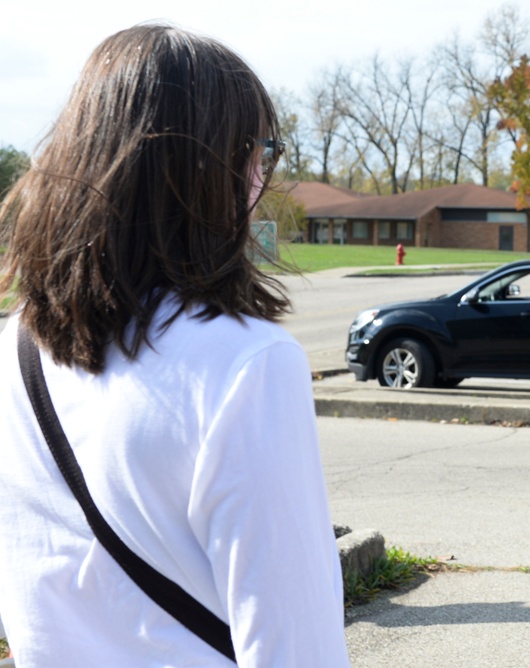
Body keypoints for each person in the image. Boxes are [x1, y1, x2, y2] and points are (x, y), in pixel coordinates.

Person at [0, 25, 351, 666]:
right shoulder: (246, 364)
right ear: (205, 169)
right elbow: (296, 646)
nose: (261, 178)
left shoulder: (11, 350)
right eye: (258, 153)